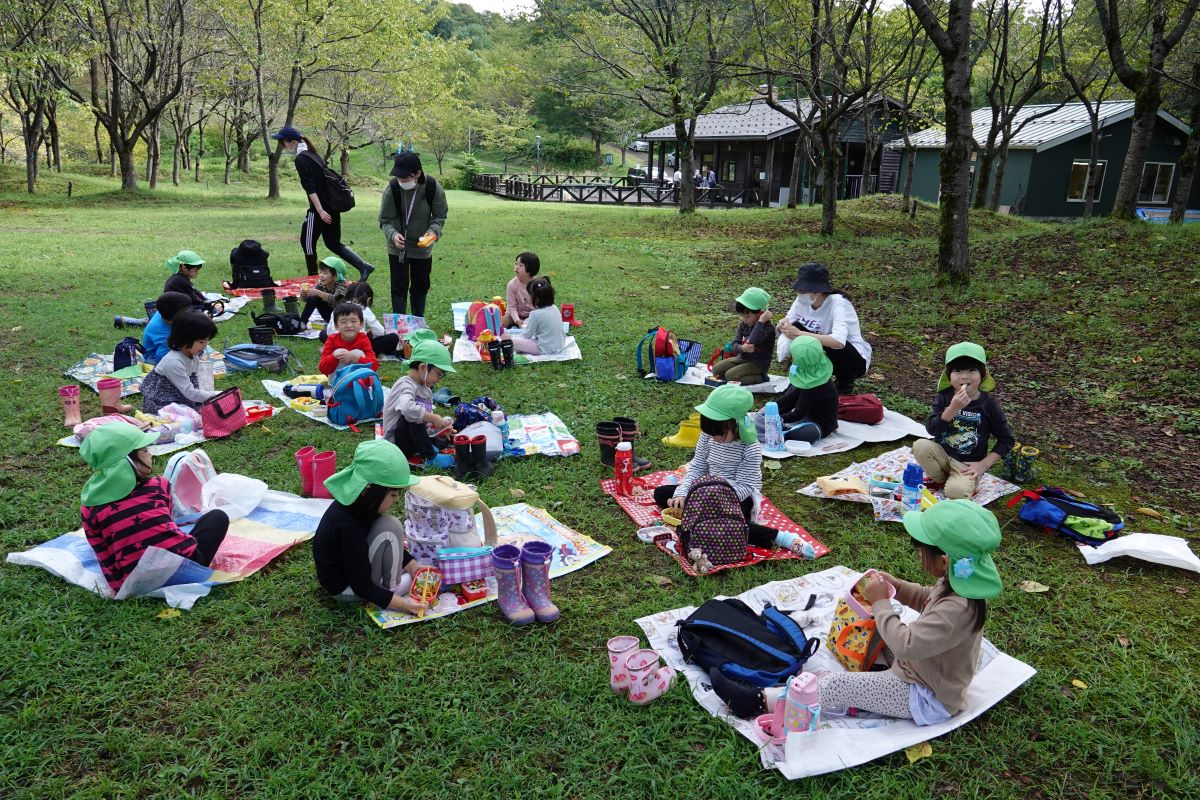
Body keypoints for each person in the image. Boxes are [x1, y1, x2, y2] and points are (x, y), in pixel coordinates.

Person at [711, 500, 1003, 726]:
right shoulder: (958, 585)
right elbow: (928, 599)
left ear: (942, 561)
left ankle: (757, 701)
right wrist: (898, 588)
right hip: (919, 669)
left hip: (924, 695)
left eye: (920, 551)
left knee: (836, 685)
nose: (918, 555)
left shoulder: (957, 608)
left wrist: (881, 603)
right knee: (875, 629)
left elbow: (907, 645)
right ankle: (873, 680)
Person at [652, 385, 811, 555]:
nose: (713, 438)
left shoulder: (750, 448)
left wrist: (710, 500)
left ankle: (782, 538)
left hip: (735, 496)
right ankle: (700, 517)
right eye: (710, 433)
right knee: (662, 494)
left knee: (730, 525)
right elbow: (698, 467)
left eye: (718, 434)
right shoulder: (707, 436)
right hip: (705, 490)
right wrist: (682, 493)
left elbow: (746, 486)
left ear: (735, 425)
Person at [79, 422, 229, 595]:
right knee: (217, 517)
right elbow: (169, 521)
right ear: (127, 461)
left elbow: (101, 550)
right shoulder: (158, 485)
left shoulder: (90, 507)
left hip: (130, 584)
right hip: (185, 569)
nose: (151, 455)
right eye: (144, 451)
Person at [312, 439, 429, 614]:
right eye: (393, 494)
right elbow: (362, 587)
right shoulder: (348, 527)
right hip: (347, 590)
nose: (395, 499)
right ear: (368, 490)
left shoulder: (358, 505)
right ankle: (392, 589)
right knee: (392, 528)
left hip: (353, 575)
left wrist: (412, 565)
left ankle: (400, 580)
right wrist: (404, 605)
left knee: (388, 525)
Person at [271, 125, 375, 281]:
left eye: (283, 142)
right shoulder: (312, 154)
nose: (283, 146)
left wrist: (319, 210)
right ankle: (363, 265)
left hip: (320, 210)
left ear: (292, 142)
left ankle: (312, 279)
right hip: (332, 207)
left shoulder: (301, 159)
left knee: (307, 243)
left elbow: (310, 188)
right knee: (333, 242)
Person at [913, 342, 1014, 499]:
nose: (965, 376)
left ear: (983, 375)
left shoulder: (989, 403)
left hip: (967, 465)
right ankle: (942, 479)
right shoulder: (944, 396)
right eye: (957, 371)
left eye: (972, 370)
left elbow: (1006, 439)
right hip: (942, 456)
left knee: (955, 493)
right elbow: (932, 429)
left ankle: (960, 482)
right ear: (949, 375)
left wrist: (983, 465)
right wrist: (953, 408)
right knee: (920, 446)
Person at [776, 262, 872, 394]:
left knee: (825, 342)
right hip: (822, 353)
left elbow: (838, 342)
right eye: (799, 291)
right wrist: (783, 325)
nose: (800, 294)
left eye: (804, 291)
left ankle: (844, 383)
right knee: (797, 327)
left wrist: (799, 334)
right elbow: (788, 321)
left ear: (819, 291)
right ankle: (804, 377)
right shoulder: (801, 301)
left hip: (851, 358)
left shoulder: (838, 303)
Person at [379, 151, 448, 316]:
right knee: (398, 286)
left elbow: (440, 215)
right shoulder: (393, 188)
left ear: (417, 173)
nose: (401, 181)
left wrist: (433, 233)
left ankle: (418, 320)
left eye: (405, 178)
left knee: (421, 284)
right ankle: (399, 322)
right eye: (398, 178)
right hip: (398, 247)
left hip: (422, 247)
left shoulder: (432, 187)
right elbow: (384, 220)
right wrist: (393, 234)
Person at [382, 339, 457, 467]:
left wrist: (439, 428)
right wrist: (432, 418)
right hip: (397, 446)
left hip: (413, 439)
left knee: (447, 433)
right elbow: (407, 408)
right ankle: (430, 457)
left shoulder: (425, 389)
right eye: (439, 374)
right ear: (423, 367)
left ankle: (431, 446)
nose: (439, 380)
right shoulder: (405, 385)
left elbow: (425, 420)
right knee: (412, 416)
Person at [139, 311, 222, 413]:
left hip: (182, 398)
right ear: (184, 338)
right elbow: (189, 392)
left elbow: (196, 381)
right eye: (201, 342)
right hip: (161, 404)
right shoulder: (174, 362)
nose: (205, 346)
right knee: (193, 419)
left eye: (207, 341)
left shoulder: (193, 355)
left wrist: (211, 395)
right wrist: (217, 395)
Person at [774, 336, 839, 445]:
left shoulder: (814, 386)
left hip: (819, 424)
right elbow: (792, 396)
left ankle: (785, 434)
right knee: (792, 389)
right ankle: (782, 424)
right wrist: (772, 406)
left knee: (807, 433)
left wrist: (777, 419)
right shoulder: (813, 374)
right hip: (806, 415)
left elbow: (798, 413)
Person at [711, 287, 775, 385]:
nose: (744, 319)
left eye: (748, 316)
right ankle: (741, 372)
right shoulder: (743, 324)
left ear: (761, 313)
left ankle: (761, 377)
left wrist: (761, 322)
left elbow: (753, 341)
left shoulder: (768, 328)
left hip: (758, 364)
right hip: (742, 358)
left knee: (730, 376)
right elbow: (734, 345)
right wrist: (742, 348)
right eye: (742, 315)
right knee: (716, 370)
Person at [320, 282, 399, 357]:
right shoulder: (364, 309)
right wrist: (369, 333)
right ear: (368, 300)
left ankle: (334, 349)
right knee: (393, 337)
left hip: (338, 345)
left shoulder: (337, 309)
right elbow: (380, 331)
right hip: (359, 348)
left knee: (323, 333)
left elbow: (329, 332)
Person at [502, 277, 565, 356]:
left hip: (545, 349)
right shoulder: (554, 308)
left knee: (514, 342)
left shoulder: (535, 314)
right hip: (559, 345)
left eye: (529, 296)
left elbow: (526, 335)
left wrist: (514, 337)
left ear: (536, 299)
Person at [318, 303, 379, 376]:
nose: (349, 325)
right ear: (336, 326)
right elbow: (323, 369)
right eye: (343, 322)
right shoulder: (332, 339)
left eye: (353, 321)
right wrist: (334, 356)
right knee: (338, 352)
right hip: (337, 382)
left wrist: (355, 358)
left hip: (360, 382)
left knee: (358, 352)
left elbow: (374, 366)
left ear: (361, 324)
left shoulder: (363, 339)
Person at [163, 250, 224, 317]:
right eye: (196, 270)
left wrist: (205, 300)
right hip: (175, 309)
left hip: (178, 304)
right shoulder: (181, 281)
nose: (197, 272)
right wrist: (210, 306)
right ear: (184, 268)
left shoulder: (181, 278)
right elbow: (194, 299)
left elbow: (194, 291)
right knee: (205, 311)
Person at [141, 291, 192, 365]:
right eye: (187, 312)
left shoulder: (164, 312)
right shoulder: (166, 336)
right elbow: (162, 360)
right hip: (154, 359)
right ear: (177, 318)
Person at [299, 255, 350, 325]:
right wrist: (304, 294)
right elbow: (309, 301)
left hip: (340, 317)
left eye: (325, 273)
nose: (321, 275)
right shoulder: (321, 284)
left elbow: (336, 301)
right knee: (314, 297)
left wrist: (319, 293)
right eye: (320, 272)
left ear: (336, 275)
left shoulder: (341, 286)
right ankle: (302, 323)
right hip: (327, 315)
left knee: (317, 295)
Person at [502, 252, 539, 329]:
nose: (516, 267)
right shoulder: (512, 285)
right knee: (503, 322)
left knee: (542, 320)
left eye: (521, 265)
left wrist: (528, 320)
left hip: (533, 315)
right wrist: (517, 320)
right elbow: (511, 306)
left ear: (530, 270)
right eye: (516, 264)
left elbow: (540, 307)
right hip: (515, 315)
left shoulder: (537, 285)